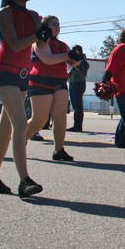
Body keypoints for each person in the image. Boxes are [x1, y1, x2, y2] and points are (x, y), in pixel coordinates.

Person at [0, 0, 51, 197]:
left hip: (23, 74)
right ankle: (24, 180)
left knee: (5, 131)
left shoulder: (34, 15)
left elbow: (40, 42)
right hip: (4, 72)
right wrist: (37, 35)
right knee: (21, 124)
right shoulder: (4, 13)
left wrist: (44, 33)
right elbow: (13, 45)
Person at [24, 16, 81, 161]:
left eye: (58, 24)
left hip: (60, 82)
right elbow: (47, 59)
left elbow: (72, 63)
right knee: (39, 120)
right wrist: (68, 55)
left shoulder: (63, 44)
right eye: (54, 24)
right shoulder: (39, 42)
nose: (57, 27)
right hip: (40, 82)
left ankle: (58, 150)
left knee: (60, 116)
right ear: (45, 26)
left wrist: (77, 57)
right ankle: (19, 140)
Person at [68, 45, 89, 132]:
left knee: (78, 106)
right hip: (72, 83)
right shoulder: (73, 61)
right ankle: (75, 125)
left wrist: (74, 69)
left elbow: (83, 74)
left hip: (79, 84)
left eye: (75, 50)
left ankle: (78, 126)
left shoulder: (83, 62)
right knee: (74, 105)